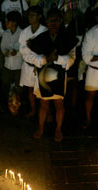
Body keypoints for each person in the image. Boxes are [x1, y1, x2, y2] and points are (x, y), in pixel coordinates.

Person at [27, 8, 78, 141]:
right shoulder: (41, 38)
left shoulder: (68, 38)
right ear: (46, 22)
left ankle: (58, 129)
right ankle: (41, 128)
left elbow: (72, 58)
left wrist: (57, 59)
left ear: (60, 21)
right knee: (43, 104)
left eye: (56, 20)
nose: (53, 23)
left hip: (59, 73)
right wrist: (44, 59)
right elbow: (32, 55)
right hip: (43, 73)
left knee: (59, 104)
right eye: (50, 20)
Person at [19, 6, 47, 119]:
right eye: (29, 15)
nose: (30, 17)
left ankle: (45, 111)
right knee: (30, 89)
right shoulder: (25, 31)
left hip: (41, 65)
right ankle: (33, 110)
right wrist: (33, 59)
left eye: (33, 15)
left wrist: (37, 62)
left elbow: (44, 50)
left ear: (39, 16)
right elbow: (23, 50)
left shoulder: (45, 30)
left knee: (42, 90)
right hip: (28, 65)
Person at [1, 11, 23, 106]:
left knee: (19, 87)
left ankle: (18, 105)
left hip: (18, 65)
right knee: (5, 85)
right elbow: (3, 46)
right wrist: (5, 52)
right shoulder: (6, 33)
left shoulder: (22, 33)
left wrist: (16, 52)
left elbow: (22, 48)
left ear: (14, 23)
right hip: (7, 64)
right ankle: (7, 105)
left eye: (8, 21)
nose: (6, 23)